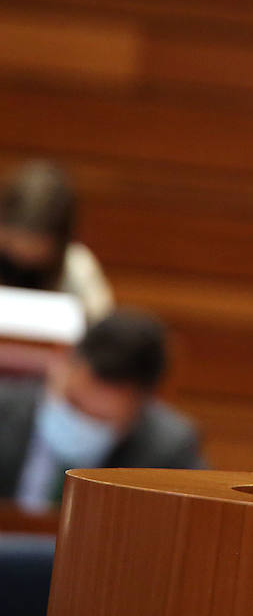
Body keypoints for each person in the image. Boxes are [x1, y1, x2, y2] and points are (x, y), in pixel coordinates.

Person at [0, 310, 203, 511]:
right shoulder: (4, 409)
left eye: (101, 419)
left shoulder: (168, 451)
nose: (80, 423)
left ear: (140, 410)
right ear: (61, 364)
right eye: (73, 403)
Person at [1, 160, 113, 323]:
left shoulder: (77, 269)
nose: (24, 250)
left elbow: (102, 333)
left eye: (35, 242)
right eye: (15, 238)